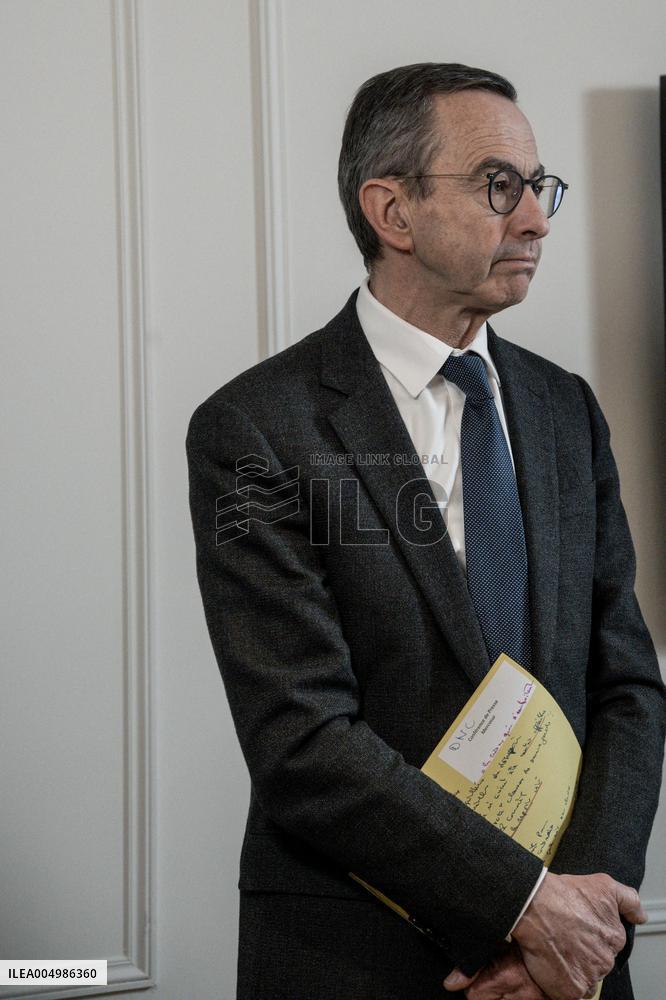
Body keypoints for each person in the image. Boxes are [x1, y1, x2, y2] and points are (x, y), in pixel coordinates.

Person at [186, 63, 666, 1000]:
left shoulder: (567, 411)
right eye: (499, 187)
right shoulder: (256, 429)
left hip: (570, 969)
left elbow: (628, 687)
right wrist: (524, 907)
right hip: (361, 962)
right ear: (392, 212)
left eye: (539, 188)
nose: (535, 218)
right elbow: (303, 739)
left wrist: (582, 912)